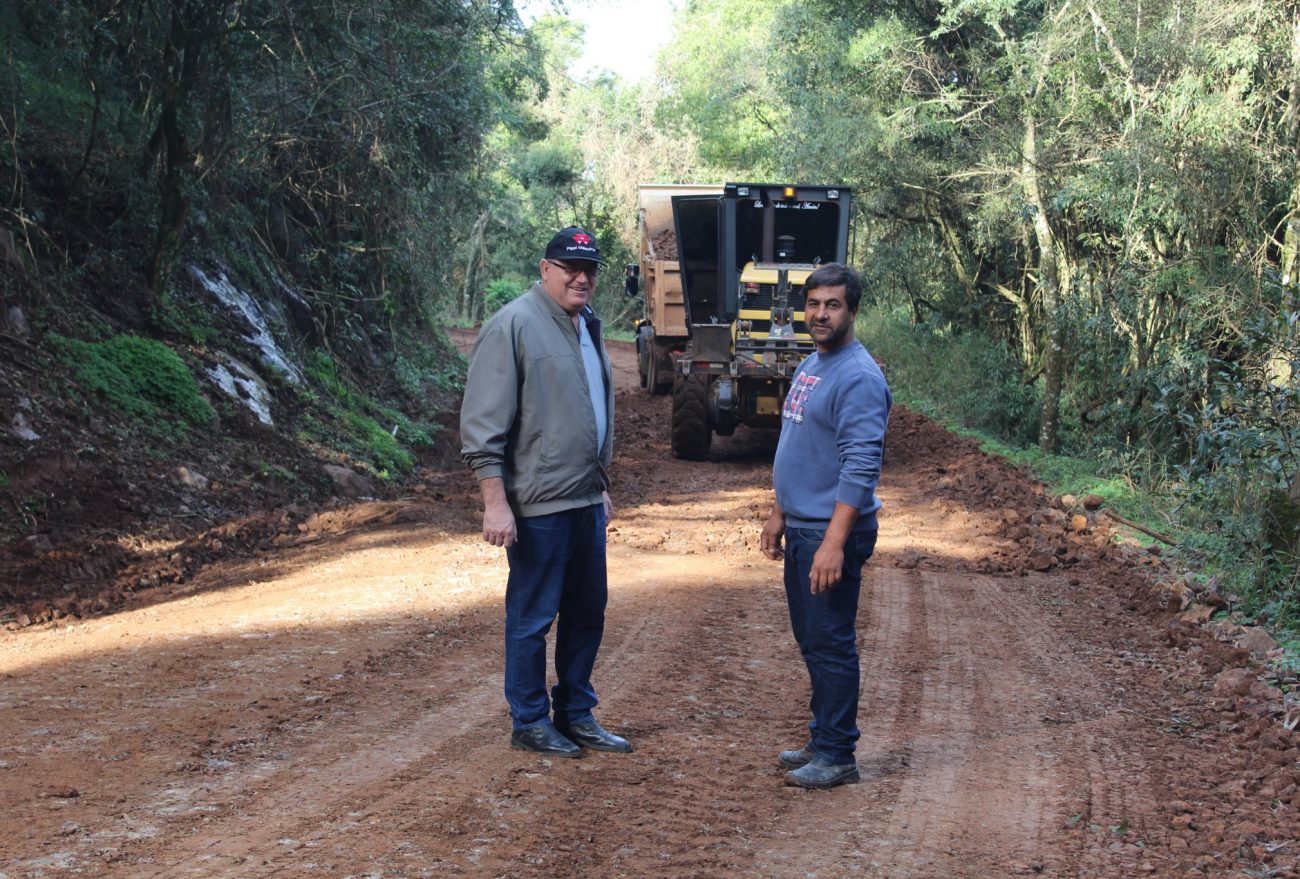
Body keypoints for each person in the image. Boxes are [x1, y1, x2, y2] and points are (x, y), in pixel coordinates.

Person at [459, 226, 632, 759]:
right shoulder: (513, 324)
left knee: (588, 612)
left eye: (589, 269)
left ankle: (576, 713)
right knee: (533, 617)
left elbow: (589, 411)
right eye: (569, 267)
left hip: (583, 500)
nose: (581, 277)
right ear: (545, 269)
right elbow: (482, 424)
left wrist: (599, 486)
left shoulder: (587, 325)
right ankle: (530, 720)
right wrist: (495, 501)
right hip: (537, 505)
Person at [760, 262, 891, 790]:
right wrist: (778, 511)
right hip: (804, 524)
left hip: (829, 532)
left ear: (852, 311)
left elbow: (861, 467)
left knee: (831, 641)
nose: (820, 314)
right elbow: (799, 447)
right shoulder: (815, 363)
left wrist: (834, 543)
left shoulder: (858, 376)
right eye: (813, 304)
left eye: (832, 305)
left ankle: (838, 754)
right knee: (813, 639)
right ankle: (822, 738)